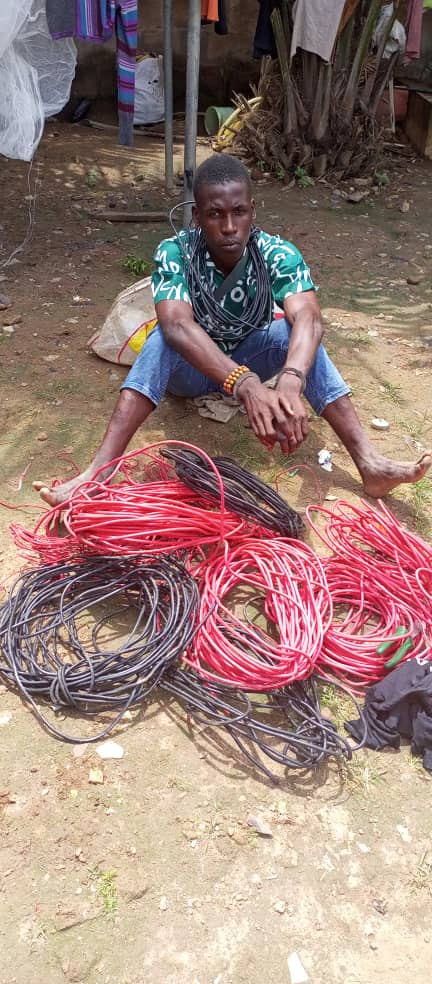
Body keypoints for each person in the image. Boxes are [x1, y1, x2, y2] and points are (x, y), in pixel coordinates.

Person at [34, 154, 430, 505]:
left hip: (249, 354)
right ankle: (99, 473)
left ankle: (369, 461)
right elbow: (176, 324)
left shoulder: (277, 253)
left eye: (238, 212)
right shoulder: (175, 253)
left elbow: (309, 317)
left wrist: (291, 381)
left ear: (252, 211)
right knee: (161, 338)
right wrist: (247, 385)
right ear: (197, 216)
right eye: (215, 214)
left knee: (291, 333)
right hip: (190, 372)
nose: (228, 226)